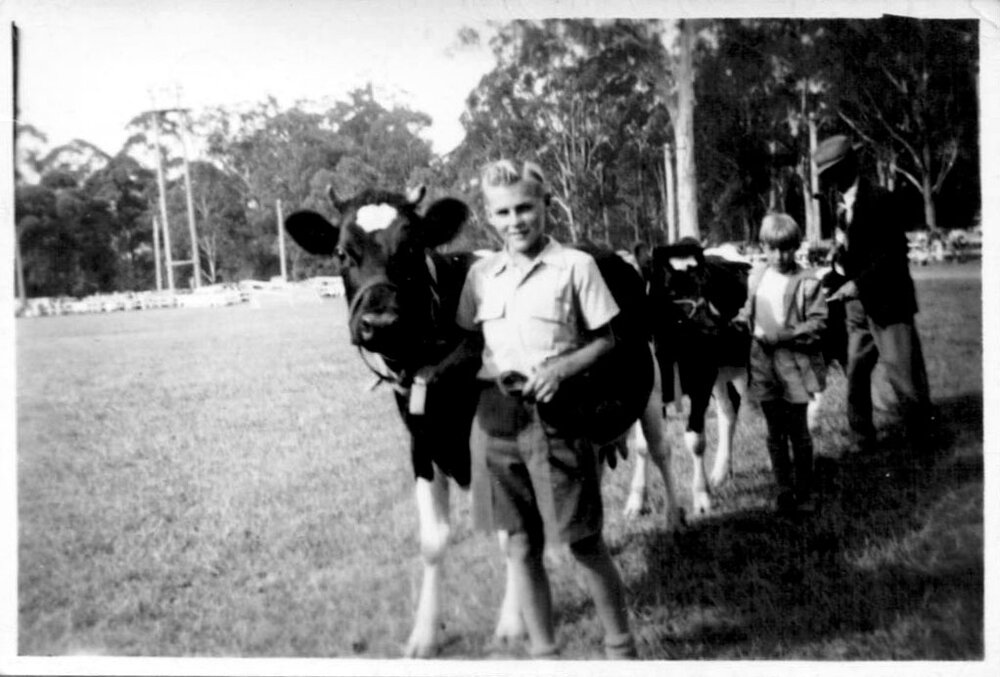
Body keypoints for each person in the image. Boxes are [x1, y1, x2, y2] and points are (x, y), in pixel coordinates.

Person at [454, 159, 636, 659]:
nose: (516, 221)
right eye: (504, 212)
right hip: (496, 423)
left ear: (546, 207)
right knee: (518, 545)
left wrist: (560, 369)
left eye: (526, 209)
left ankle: (622, 651)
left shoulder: (576, 266)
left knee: (583, 542)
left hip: (556, 422)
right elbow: (471, 340)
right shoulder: (481, 275)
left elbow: (606, 341)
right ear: (490, 217)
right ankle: (544, 656)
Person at [813, 135, 932, 455]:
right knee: (855, 370)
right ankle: (861, 436)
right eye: (825, 175)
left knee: (901, 374)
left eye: (831, 173)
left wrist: (858, 284)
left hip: (889, 303)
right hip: (857, 308)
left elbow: (893, 255)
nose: (828, 181)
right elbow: (855, 251)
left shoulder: (881, 199)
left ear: (849, 167)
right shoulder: (839, 207)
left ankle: (921, 440)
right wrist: (837, 260)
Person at [739, 213, 828, 514]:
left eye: (787, 248)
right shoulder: (756, 277)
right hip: (763, 364)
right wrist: (740, 321)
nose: (780, 255)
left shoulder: (807, 283)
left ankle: (804, 491)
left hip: (794, 365)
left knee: (799, 432)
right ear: (762, 246)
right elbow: (749, 311)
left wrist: (782, 335)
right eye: (773, 248)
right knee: (775, 431)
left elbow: (818, 323)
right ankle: (784, 490)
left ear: (797, 246)